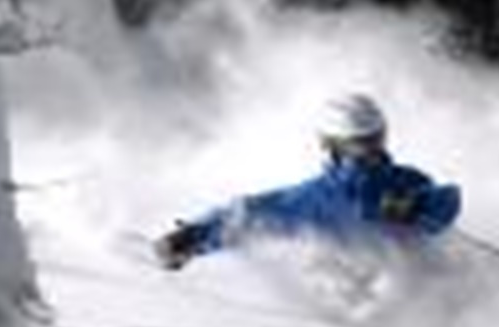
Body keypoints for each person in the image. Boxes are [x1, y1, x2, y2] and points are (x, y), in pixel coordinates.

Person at [155, 94, 461, 271]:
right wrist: (192, 237)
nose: (371, 153)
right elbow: (247, 215)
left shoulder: (403, 180)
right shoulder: (313, 198)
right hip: (373, 306)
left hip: (434, 284)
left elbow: (447, 201)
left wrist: (417, 205)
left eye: (376, 141)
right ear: (332, 145)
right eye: (359, 146)